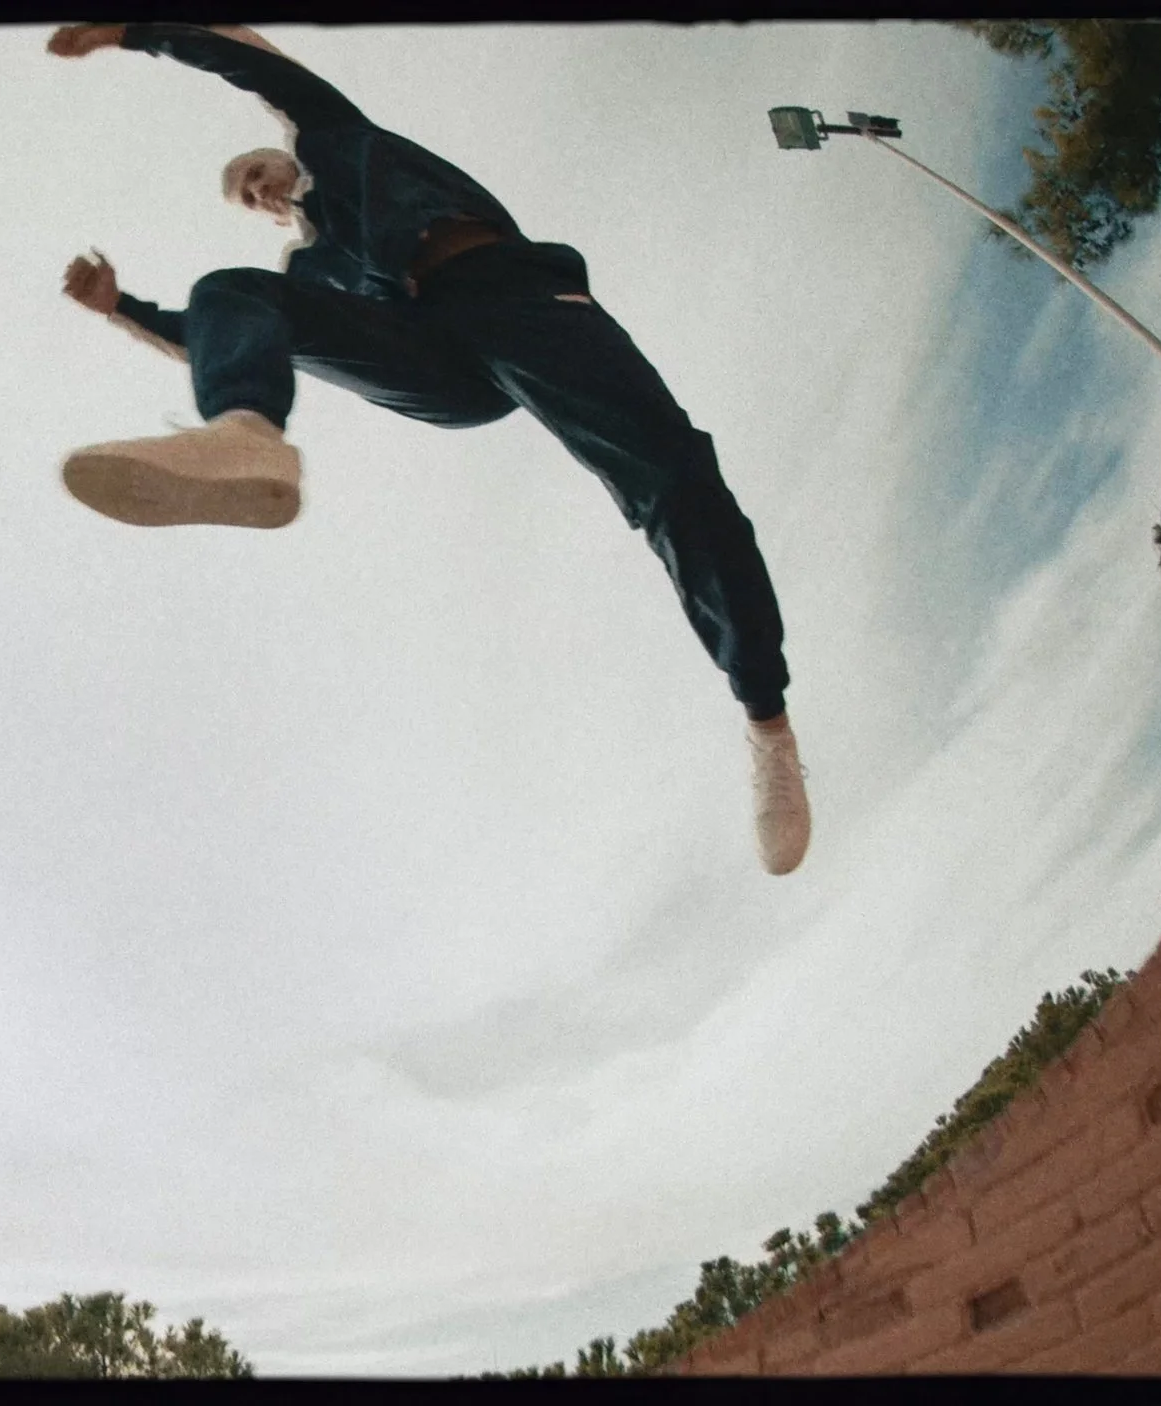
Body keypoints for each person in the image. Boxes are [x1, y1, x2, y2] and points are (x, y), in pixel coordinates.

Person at [48, 22, 811, 875]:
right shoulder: (315, 267)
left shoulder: (336, 138)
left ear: (282, 156)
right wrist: (122, 308)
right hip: (437, 367)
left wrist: (133, 33)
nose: (263, 195)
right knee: (231, 292)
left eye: (260, 176)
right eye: (248, 200)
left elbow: (245, 56)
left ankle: (767, 725)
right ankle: (248, 435)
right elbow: (206, 335)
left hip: (515, 301)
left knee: (670, 481)